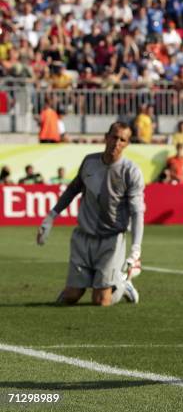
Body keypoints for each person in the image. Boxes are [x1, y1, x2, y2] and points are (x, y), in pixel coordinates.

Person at [36, 122, 144, 306]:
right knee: (71, 296)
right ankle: (110, 283)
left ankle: (123, 285)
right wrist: (50, 217)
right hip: (83, 237)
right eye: (114, 137)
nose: (116, 143)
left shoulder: (131, 172)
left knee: (101, 300)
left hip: (111, 239)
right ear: (106, 137)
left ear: (127, 144)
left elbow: (137, 211)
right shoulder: (89, 162)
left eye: (122, 140)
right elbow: (72, 190)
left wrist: (136, 249)